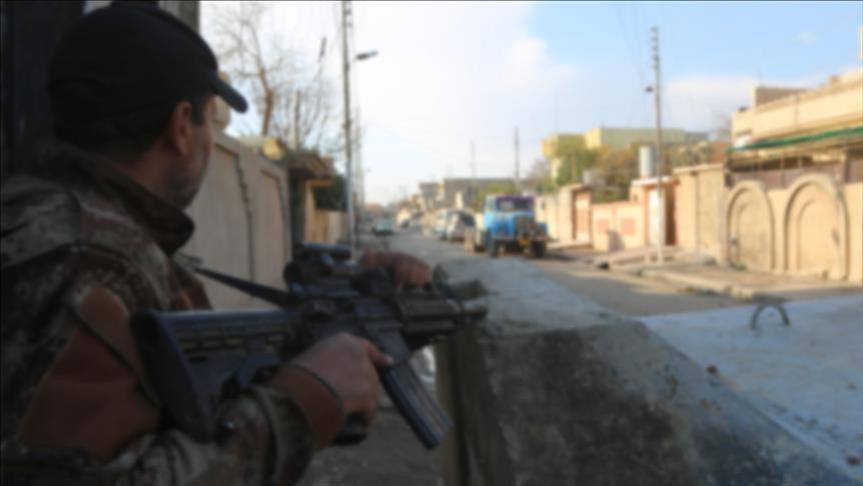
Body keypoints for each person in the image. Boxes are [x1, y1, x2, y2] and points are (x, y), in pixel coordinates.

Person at [0, 4, 431, 485]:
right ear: (182, 126)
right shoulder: (89, 263)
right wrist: (301, 403)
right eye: (210, 119)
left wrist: (373, 305)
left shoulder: (68, 227)